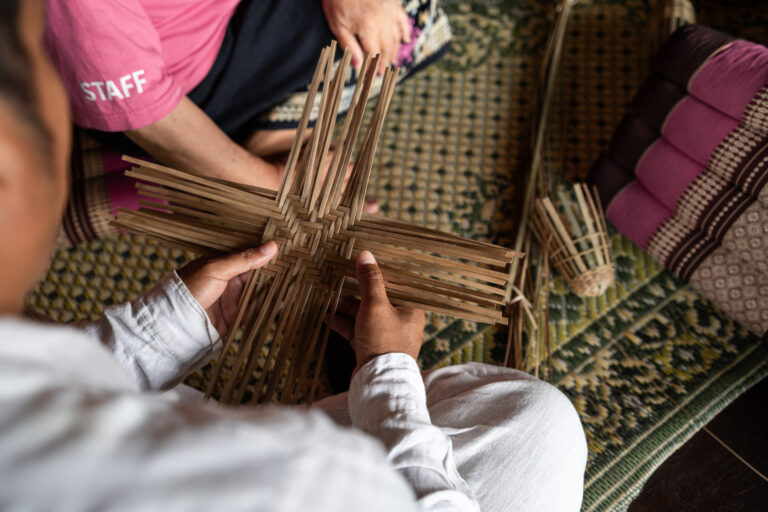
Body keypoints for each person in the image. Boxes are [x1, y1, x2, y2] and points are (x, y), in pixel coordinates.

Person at [0, 1, 588, 511]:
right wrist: (387, 374)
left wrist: (169, 325)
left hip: (167, 435)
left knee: (397, 25)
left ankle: (179, 173)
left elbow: (60, 393)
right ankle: (167, 173)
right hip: (243, 466)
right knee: (541, 428)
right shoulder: (300, 474)